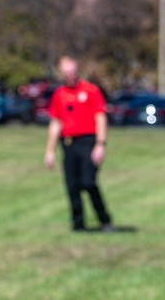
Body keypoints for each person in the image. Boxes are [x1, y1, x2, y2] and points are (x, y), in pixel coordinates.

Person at [44, 56, 114, 233]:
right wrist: (50, 150)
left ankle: (104, 219)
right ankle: (78, 224)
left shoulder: (90, 91)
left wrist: (100, 144)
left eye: (73, 72)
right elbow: (56, 123)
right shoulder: (59, 94)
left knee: (88, 182)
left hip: (88, 142)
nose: (70, 76)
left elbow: (100, 117)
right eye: (66, 73)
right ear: (61, 73)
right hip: (68, 144)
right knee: (72, 186)